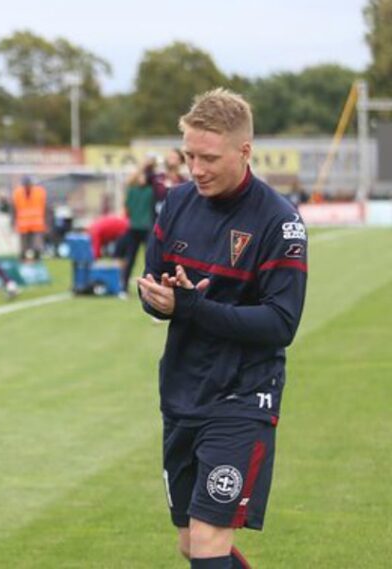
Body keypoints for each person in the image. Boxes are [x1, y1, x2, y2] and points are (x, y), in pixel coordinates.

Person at [138, 88, 308, 569]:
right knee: (190, 543)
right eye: (189, 156)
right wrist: (159, 299)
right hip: (182, 390)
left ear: (244, 151)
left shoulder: (278, 221)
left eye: (209, 158)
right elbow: (156, 286)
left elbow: (281, 322)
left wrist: (192, 307)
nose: (196, 169)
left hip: (242, 396)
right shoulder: (176, 203)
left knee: (209, 539)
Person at [120, 161, 156, 294]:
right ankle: (123, 287)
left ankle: (150, 287)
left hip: (146, 228)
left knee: (150, 260)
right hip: (133, 228)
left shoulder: (150, 190)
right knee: (130, 258)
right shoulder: (132, 191)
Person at [11, 176, 48, 261]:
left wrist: (46, 222)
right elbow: (14, 209)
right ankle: (23, 261)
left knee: (37, 246)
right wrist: (13, 222)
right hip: (23, 225)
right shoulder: (17, 193)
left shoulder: (39, 192)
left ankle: (37, 261)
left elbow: (45, 208)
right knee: (23, 247)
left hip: (36, 224)